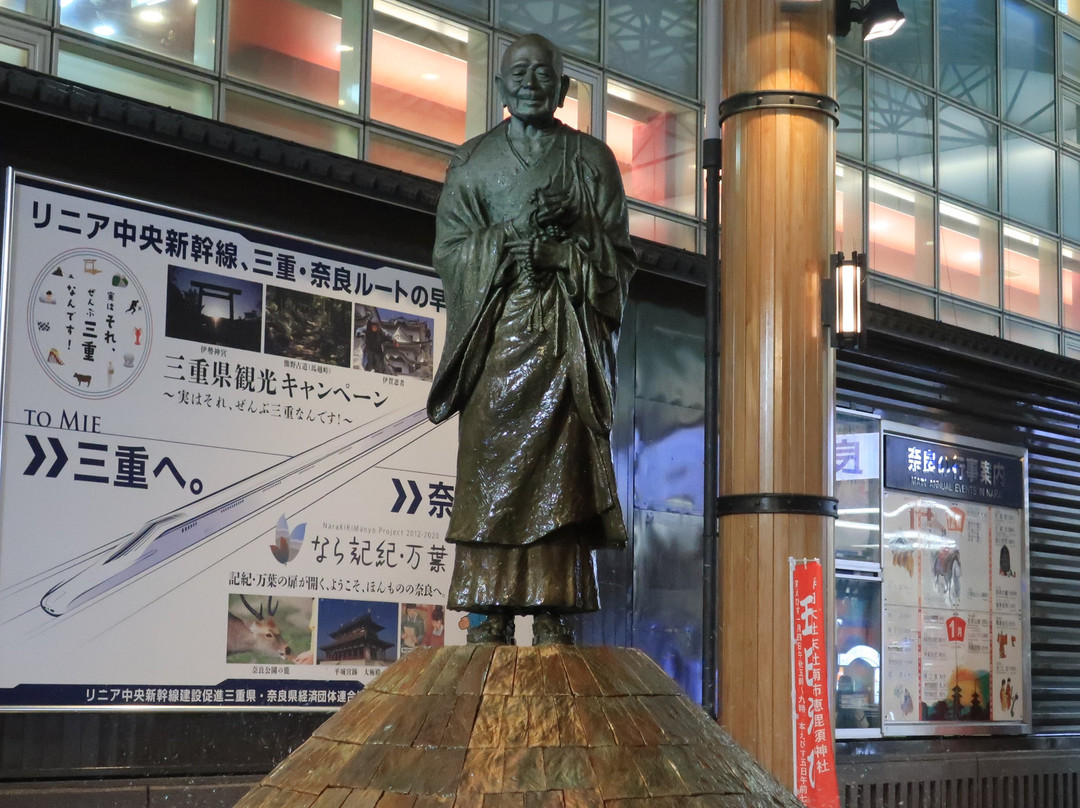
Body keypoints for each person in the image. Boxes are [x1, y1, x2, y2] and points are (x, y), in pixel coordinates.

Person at [427, 33, 635, 646]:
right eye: (518, 72)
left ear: (564, 86)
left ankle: (553, 608)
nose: (531, 83)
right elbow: (449, 254)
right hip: (495, 339)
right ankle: (488, 608)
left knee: (562, 474)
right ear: (498, 86)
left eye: (544, 73)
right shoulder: (470, 162)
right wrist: (509, 239)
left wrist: (564, 253)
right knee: (489, 469)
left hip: (563, 340)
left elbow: (618, 261)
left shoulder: (591, 160)